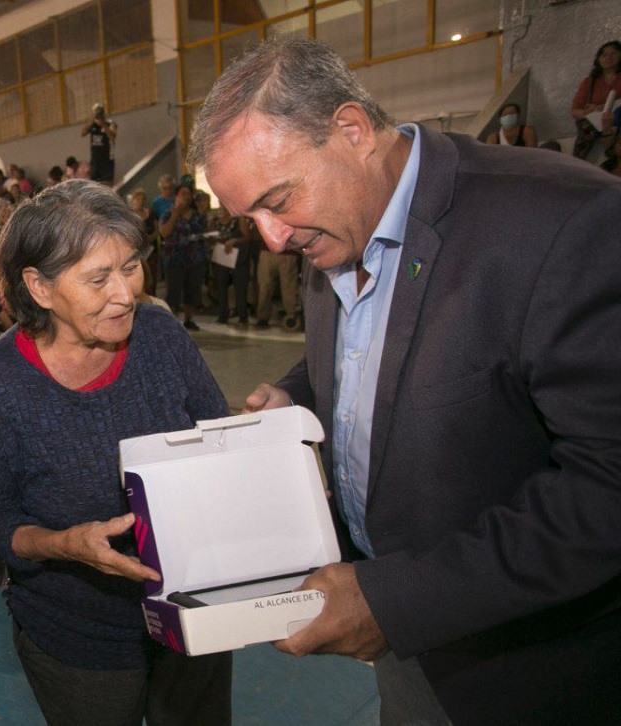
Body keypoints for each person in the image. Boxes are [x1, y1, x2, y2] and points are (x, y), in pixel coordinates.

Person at [188, 36, 621, 724]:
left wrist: (398, 601)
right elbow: (378, 353)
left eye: (277, 200)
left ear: (352, 131)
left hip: (528, 670)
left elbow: (606, 486)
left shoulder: (562, 225)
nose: (271, 238)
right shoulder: (332, 219)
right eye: (251, 218)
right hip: (408, 650)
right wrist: (295, 396)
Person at [0, 179, 233, 726]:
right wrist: (64, 545)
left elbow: (218, 434)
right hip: (79, 639)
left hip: (194, 608)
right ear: (38, 287)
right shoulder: (2, 382)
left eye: (130, 267)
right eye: (98, 278)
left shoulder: (160, 334)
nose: (125, 293)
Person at [158, 183, 207, 331]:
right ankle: (170, 323)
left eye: (188, 194)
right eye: (183, 194)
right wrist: (175, 215)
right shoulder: (167, 213)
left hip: (194, 259)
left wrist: (203, 213)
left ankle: (188, 319)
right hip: (174, 259)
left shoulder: (196, 214)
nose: (186, 197)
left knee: (191, 291)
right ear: (176, 196)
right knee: (173, 292)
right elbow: (164, 233)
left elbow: (203, 232)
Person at [570, 40, 621, 159]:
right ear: (599, 58)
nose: (608, 58)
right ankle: (578, 163)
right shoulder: (590, 82)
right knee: (586, 128)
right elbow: (574, 110)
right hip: (595, 122)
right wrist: (588, 112)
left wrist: (603, 107)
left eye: (613, 54)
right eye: (604, 55)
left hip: (616, 119)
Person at [209, 205, 252, 326]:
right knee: (221, 285)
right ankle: (223, 314)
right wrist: (214, 239)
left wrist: (235, 241)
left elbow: (247, 237)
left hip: (238, 255)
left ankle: (242, 315)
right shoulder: (215, 220)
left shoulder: (239, 218)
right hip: (221, 254)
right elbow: (209, 236)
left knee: (240, 285)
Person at [81, 103, 118, 184]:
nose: (98, 114)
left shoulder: (110, 123)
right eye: (96, 112)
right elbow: (83, 133)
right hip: (95, 162)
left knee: (107, 185)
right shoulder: (92, 124)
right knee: (94, 186)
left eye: (100, 111)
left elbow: (113, 137)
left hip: (107, 161)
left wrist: (104, 124)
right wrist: (92, 120)